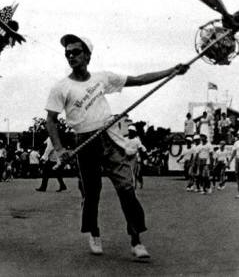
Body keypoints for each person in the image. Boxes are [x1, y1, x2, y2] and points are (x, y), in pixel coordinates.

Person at [45, 34, 188, 259]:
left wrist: (171, 71)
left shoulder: (103, 78)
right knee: (91, 193)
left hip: (108, 138)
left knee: (126, 188)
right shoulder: (61, 87)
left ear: (88, 55)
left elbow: (139, 80)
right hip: (84, 142)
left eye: (76, 52)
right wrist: (60, 149)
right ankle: (94, 233)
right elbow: (51, 120)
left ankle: (136, 240)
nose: (71, 56)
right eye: (68, 53)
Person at [124, 125, 145, 190]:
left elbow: (141, 149)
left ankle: (134, 185)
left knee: (135, 173)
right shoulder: (125, 139)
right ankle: (129, 185)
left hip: (134, 158)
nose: (130, 133)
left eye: (132, 131)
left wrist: (142, 159)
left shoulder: (137, 140)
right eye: (130, 131)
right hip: (126, 157)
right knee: (127, 172)